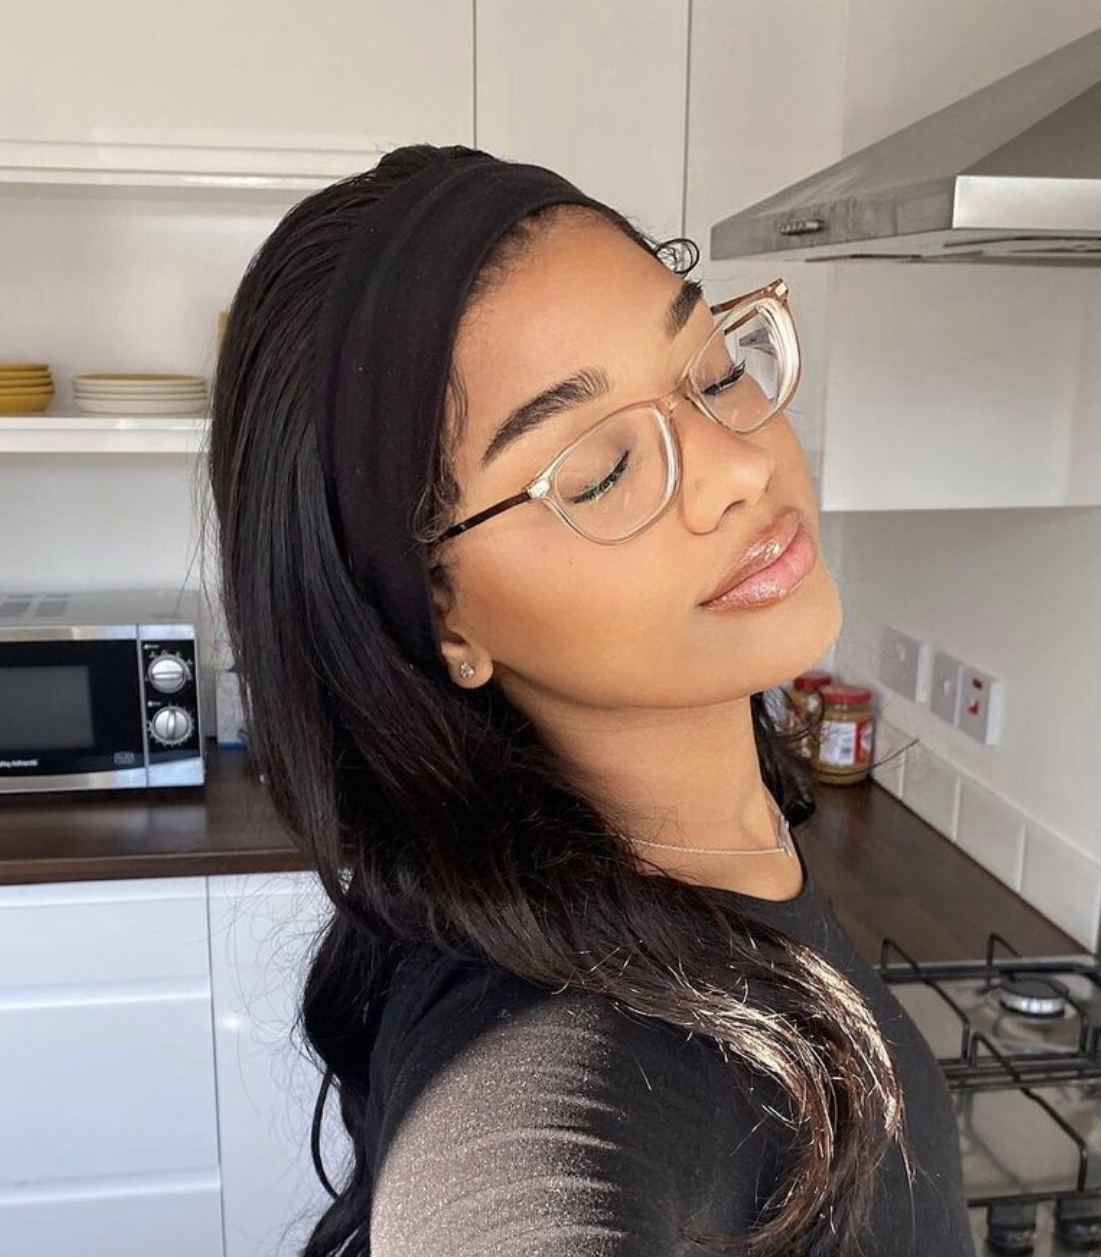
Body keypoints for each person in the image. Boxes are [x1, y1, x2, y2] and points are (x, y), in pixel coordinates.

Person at [206, 143, 972, 1256]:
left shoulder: (726, 851)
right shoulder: (536, 1065)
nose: (739, 465)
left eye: (714, 372)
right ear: (441, 615)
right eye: (601, 471)